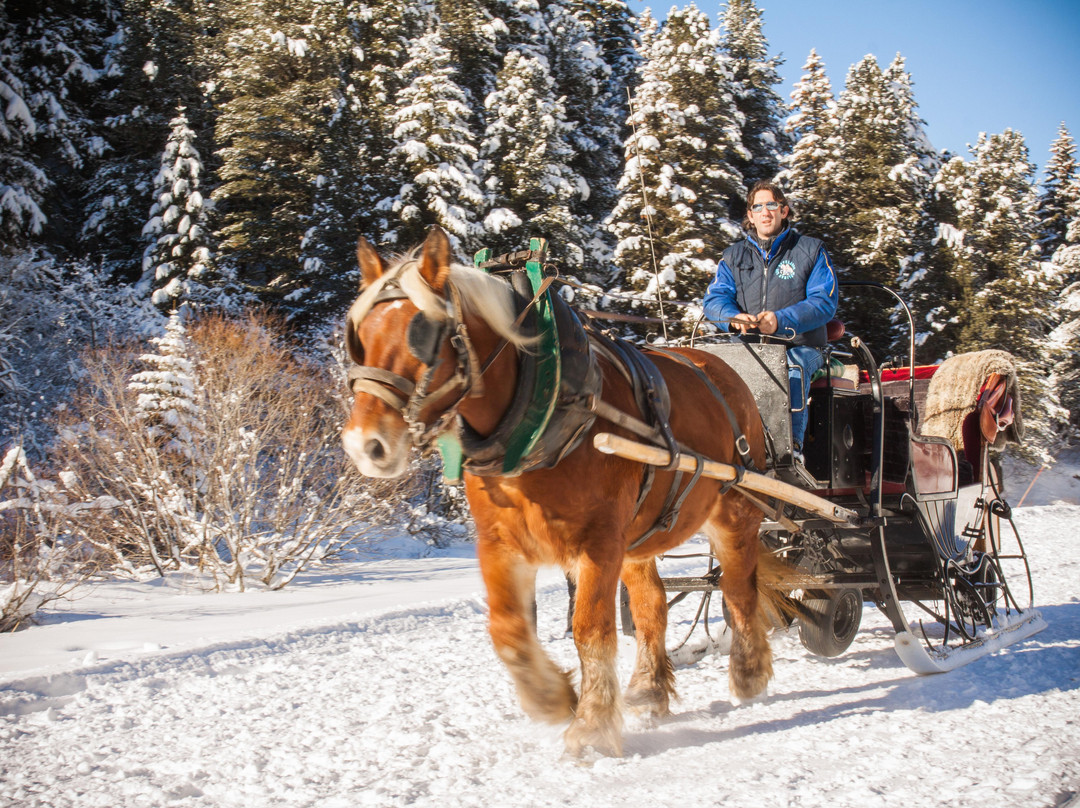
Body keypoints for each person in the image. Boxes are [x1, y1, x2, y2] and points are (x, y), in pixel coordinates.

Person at [703, 181, 839, 458]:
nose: (765, 212)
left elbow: (824, 302)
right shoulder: (732, 257)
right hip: (750, 349)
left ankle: (789, 452)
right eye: (758, 206)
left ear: (784, 211)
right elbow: (714, 300)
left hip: (801, 346)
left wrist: (781, 320)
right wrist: (733, 318)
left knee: (791, 368)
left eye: (772, 205)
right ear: (750, 216)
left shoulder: (810, 250)